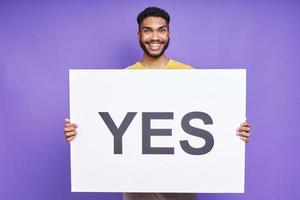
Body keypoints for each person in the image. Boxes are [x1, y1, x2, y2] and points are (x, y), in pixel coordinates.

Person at [64, 7, 251, 200]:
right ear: (139, 36)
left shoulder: (189, 75)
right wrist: (80, 133)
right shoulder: (123, 79)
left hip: (181, 184)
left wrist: (234, 133)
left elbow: (208, 122)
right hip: (137, 186)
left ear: (169, 34)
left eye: (161, 30)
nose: (155, 37)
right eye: (148, 30)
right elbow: (110, 126)